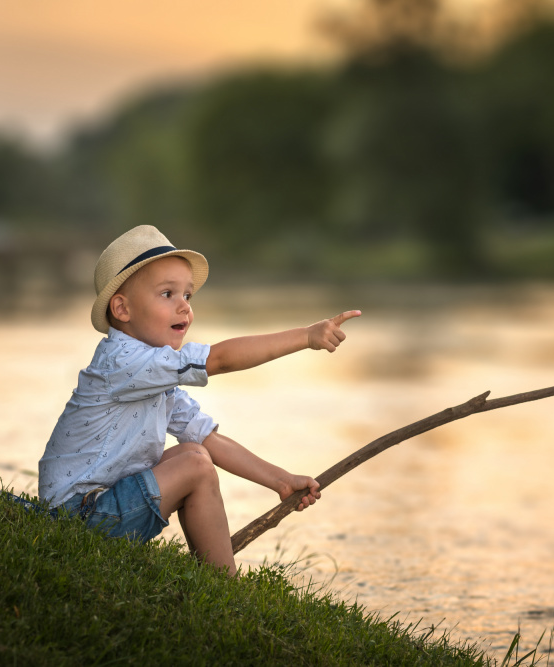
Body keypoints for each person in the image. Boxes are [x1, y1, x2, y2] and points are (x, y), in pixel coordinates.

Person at [38, 225, 360, 576]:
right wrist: (306, 336)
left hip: (99, 509)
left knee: (195, 453)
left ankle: (218, 577)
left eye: (187, 296)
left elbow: (207, 438)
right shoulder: (123, 361)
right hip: (76, 518)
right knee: (195, 465)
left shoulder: (153, 375)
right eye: (167, 294)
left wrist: (280, 481)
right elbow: (219, 359)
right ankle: (224, 584)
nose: (184, 308)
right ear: (122, 309)